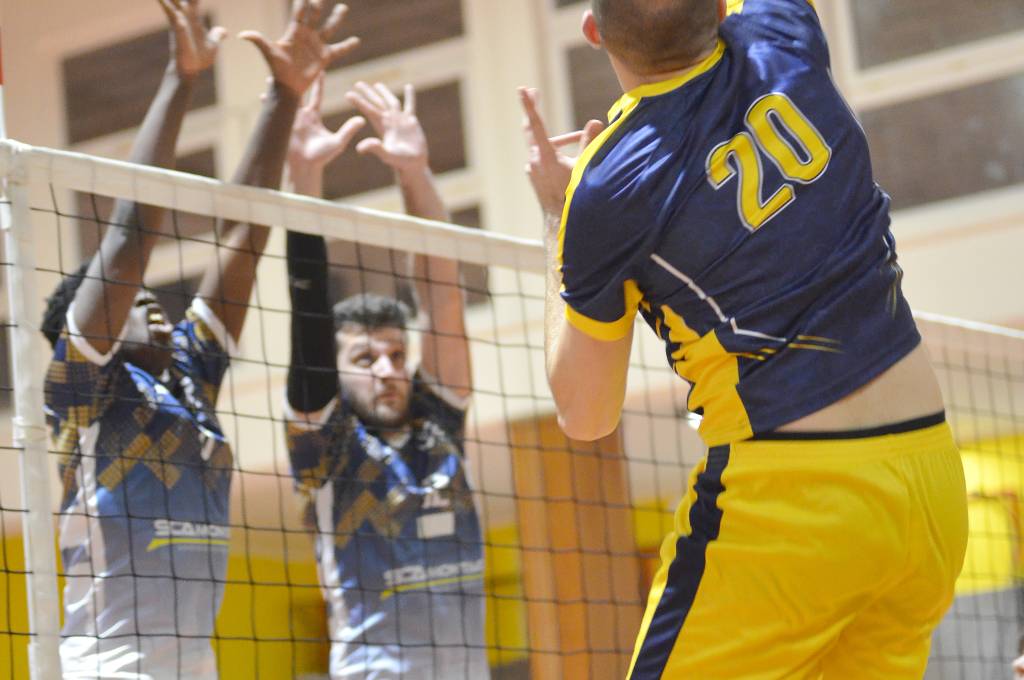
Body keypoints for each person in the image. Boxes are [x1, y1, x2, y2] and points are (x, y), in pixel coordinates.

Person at [519, 0, 968, 678]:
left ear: (592, 31)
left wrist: (558, 214)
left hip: (797, 505)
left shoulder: (609, 186)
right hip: (931, 485)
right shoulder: (779, 29)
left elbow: (585, 415)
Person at [42, 1, 359, 676]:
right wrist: (181, 78)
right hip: (110, 667)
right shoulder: (83, 392)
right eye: (132, 300)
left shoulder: (191, 376)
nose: (151, 302)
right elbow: (129, 240)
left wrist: (284, 95)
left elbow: (244, 233)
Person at [283, 77, 488, 679]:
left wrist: (415, 173)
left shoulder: (438, 421)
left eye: (397, 355)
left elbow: (443, 292)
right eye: (366, 358)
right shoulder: (325, 445)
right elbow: (307, 308)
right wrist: (305, 178)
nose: (388, 369)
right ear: (335, 370)